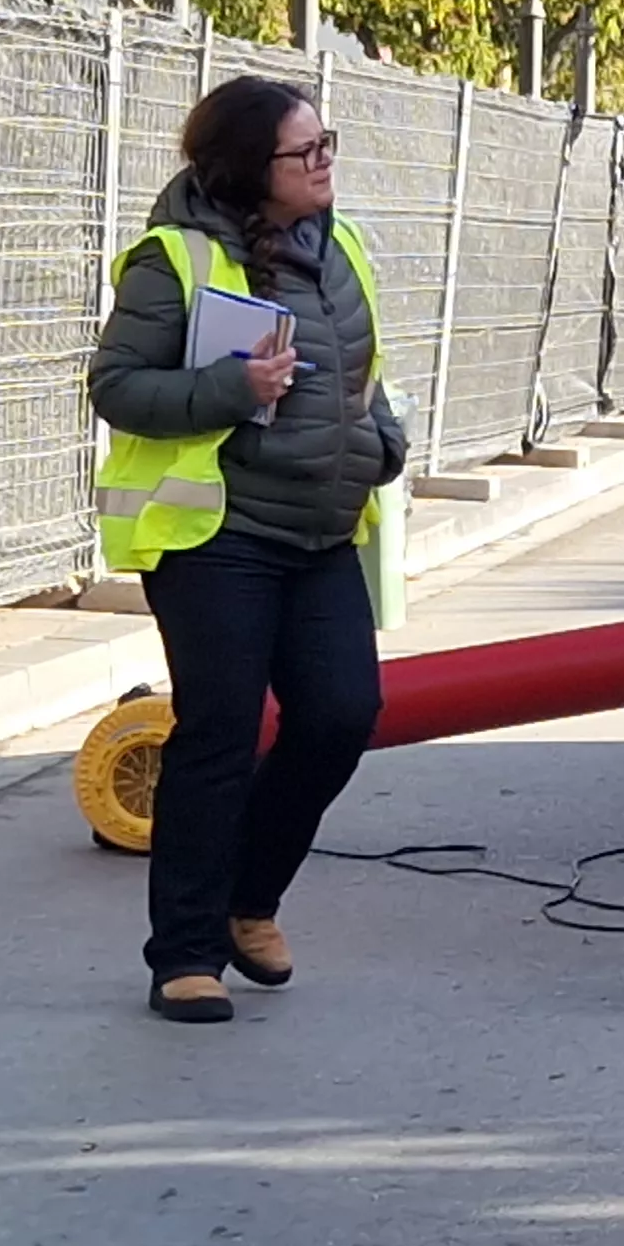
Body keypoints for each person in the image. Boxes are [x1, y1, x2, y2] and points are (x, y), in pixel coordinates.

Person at [90, 76, 406, 1023]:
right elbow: (116, 386)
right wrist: (231, 389)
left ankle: (247, 901)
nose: (325, 164)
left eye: (326, 144)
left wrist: (382, 441)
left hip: (322, 533)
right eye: (304, 153)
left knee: (341, 716)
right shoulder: (175, 261)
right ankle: (183, 953)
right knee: (220, 736)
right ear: (247, 170)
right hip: (216, 536)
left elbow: (363, 372)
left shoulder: (340, 247)